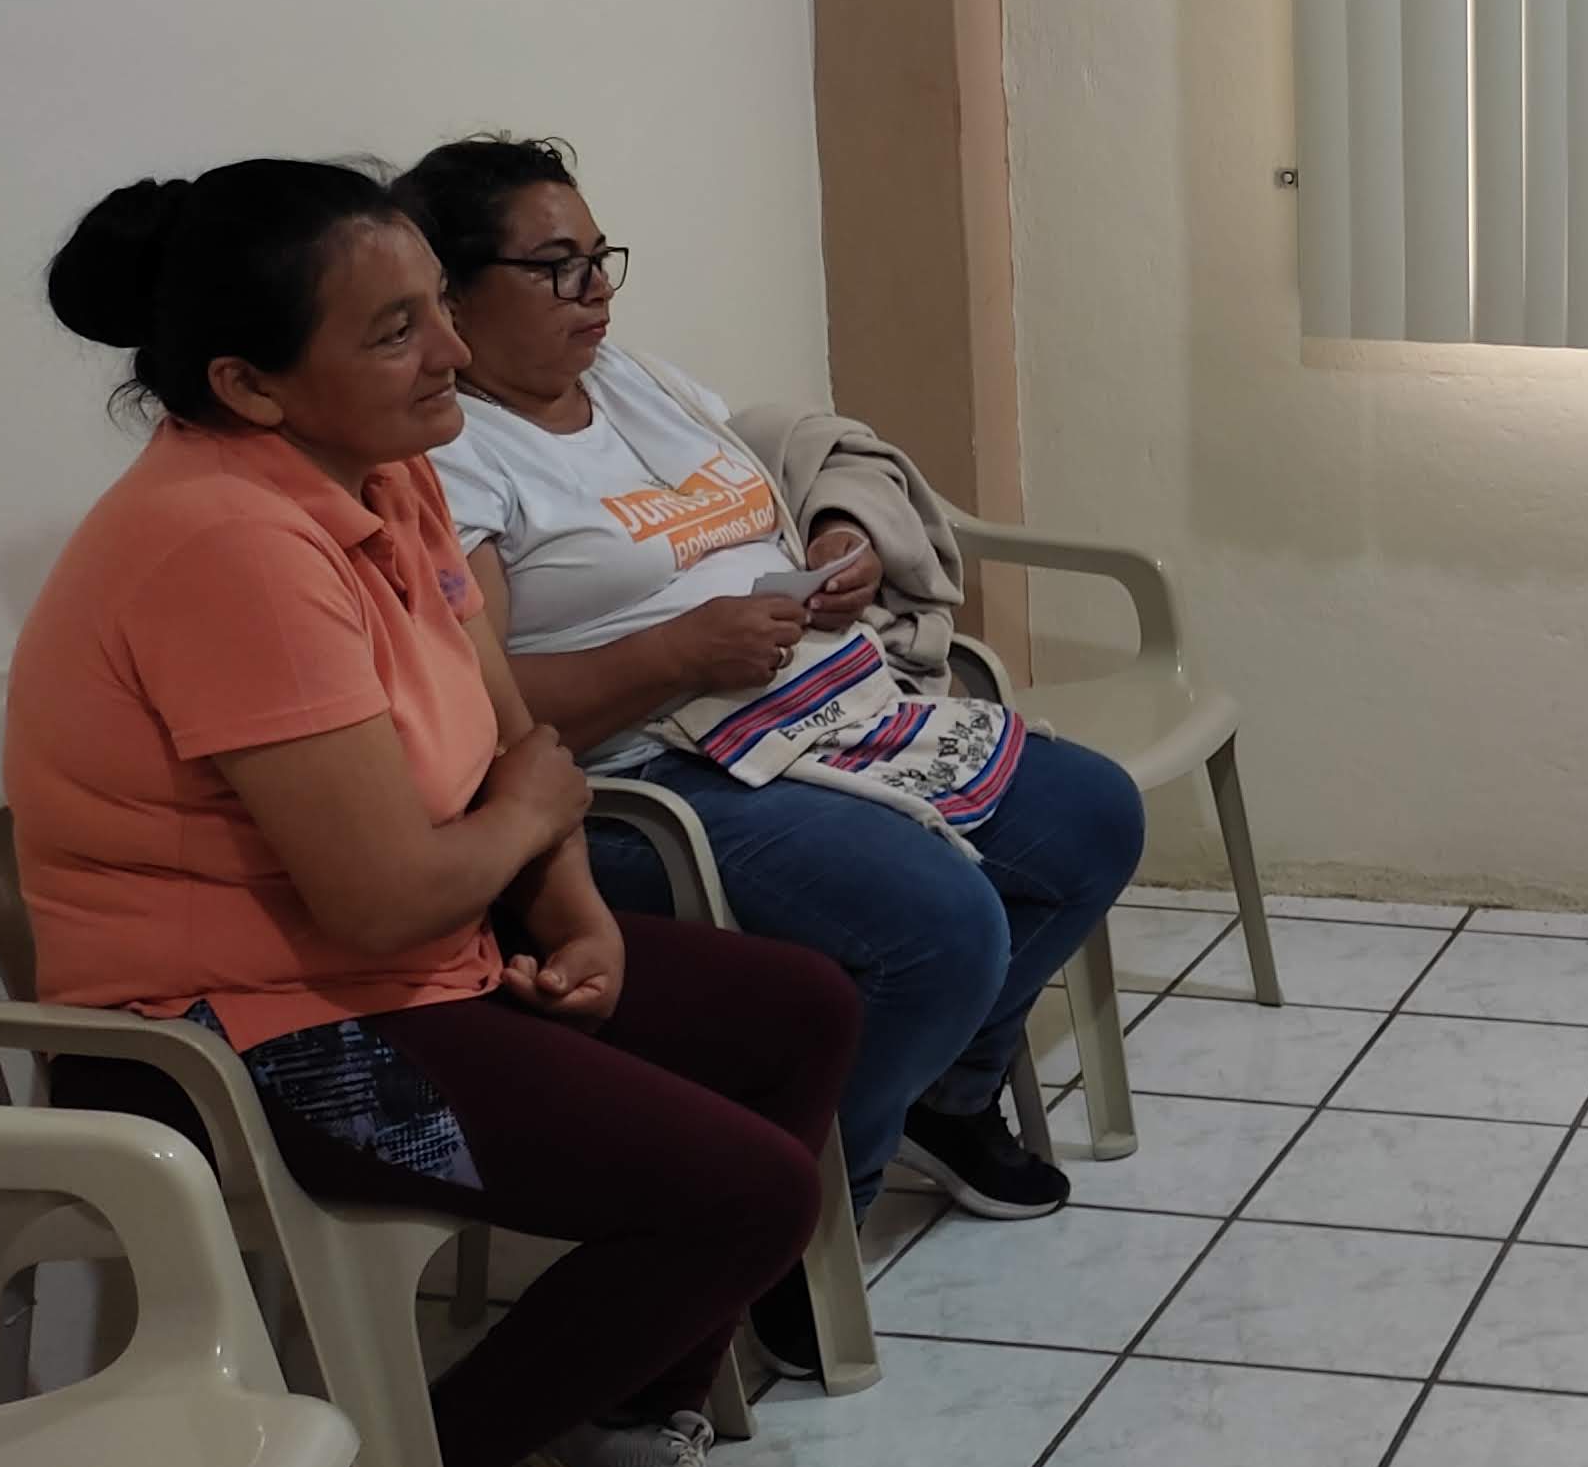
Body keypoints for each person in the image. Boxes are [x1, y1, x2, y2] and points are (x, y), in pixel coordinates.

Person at [11, 160, 860, 1467]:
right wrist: (529, 822)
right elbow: (384, 892)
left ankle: (621, 1413)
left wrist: (571, 901)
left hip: (407, 963)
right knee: (740, 1192)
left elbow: (504, 735)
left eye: (436, 312)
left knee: (796, 1013)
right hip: (232, 1040)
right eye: (397, 330)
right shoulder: (225, 544)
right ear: (248, 385)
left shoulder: (388, 470)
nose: (454, 353)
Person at [397, 138, 1150, 1374]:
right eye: (555, 268)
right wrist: (674, 655)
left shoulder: (633, 381)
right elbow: (482, 711)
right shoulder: (450, 455)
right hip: (645, 773)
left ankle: (947, 1096)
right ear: (455, 294)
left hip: (810, 698)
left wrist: (836, 548)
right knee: (939, 925)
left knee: (1090, 818)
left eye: (599, 259)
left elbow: (764, 504)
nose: (595, 292)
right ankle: (810, 1221)